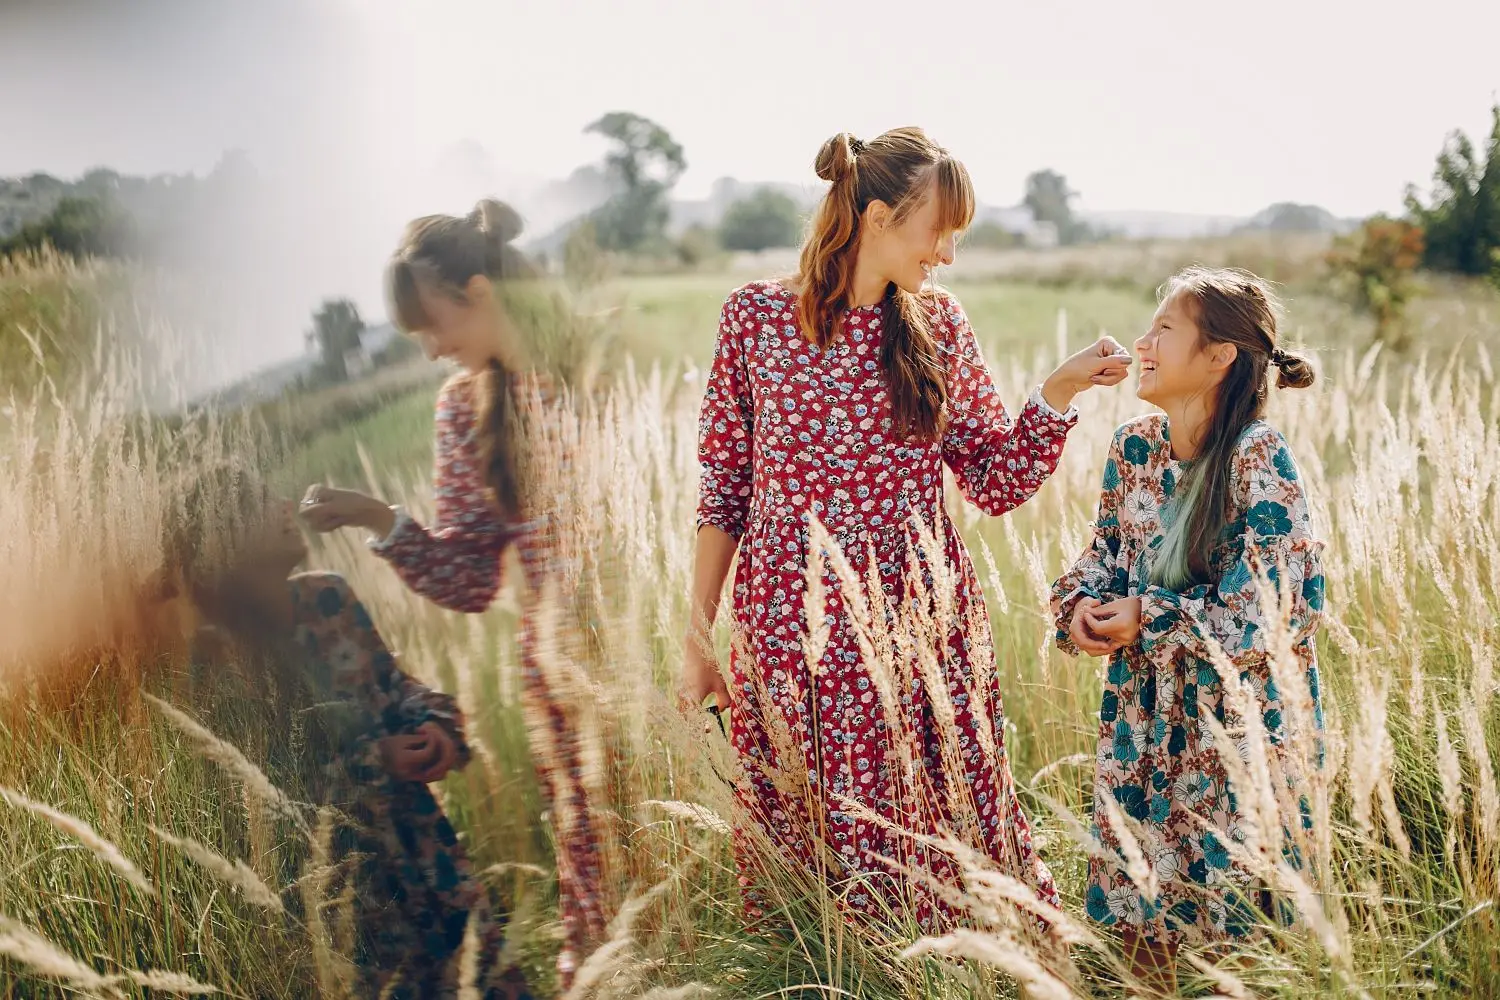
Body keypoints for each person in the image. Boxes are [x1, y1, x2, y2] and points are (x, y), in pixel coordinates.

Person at [679, 127, 1131, 930]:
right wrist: (696, 642)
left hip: (918, 622)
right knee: (802, 842)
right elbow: (725, 492)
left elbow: (993, 480)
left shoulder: (939, 326)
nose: (948, 254)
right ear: (879, 217)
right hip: (789, 623)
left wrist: (1057, 391)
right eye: (940, 230)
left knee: (941, 826)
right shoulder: (753, 318)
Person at [297, 199, 607, 988]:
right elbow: (469, 581)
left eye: (431, 326)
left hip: (674, 652)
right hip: (567, 678)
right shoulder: (461, 411)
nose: (432, 351)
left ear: (480, 290)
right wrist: (380, 519)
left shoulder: (597, 368)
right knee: (598, 886)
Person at [155, 462, 533, 999]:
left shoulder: (327, 597)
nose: (284, 507)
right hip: (351, 901)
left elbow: (394, 684)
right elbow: (265, 787)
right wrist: (376, 759)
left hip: (427, 857)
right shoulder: (220, 656)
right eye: (262, 503)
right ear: (226, 541)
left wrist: (435, 723)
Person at [1050, 266, 1326, 994]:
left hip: (1232, 740)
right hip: (1145, 734)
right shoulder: (1134, 450)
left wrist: (1152, 616)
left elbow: (1275, 607)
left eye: (1164, 329)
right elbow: (1103, 558)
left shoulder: (1257, 458)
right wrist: (1081, 606)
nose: (1142, 341)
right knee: (1146, 934)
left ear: (1218, 356)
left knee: (1233, 946)